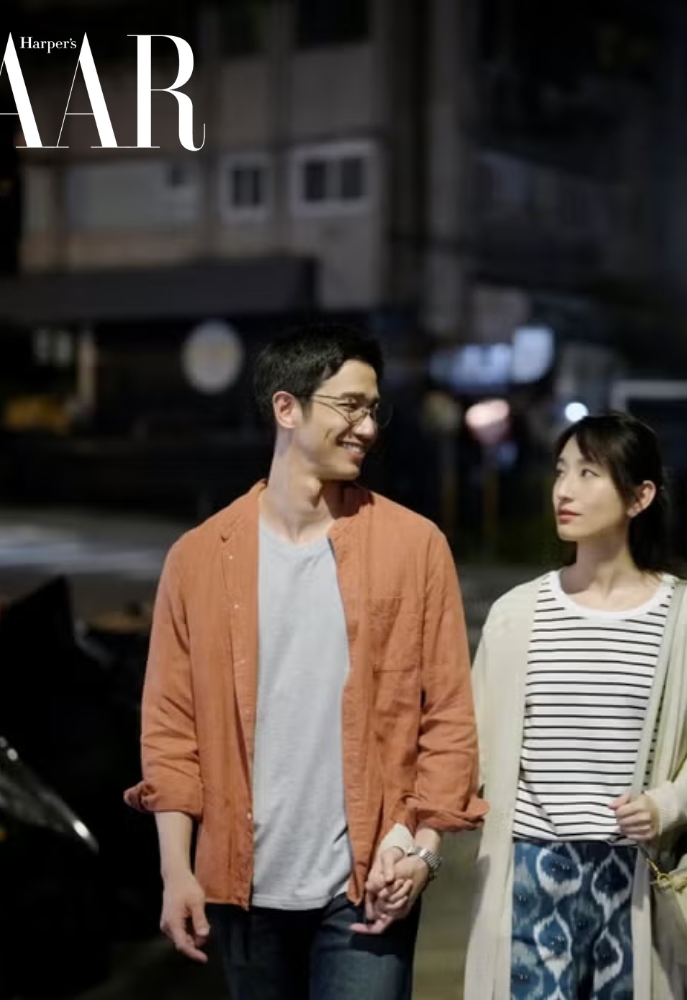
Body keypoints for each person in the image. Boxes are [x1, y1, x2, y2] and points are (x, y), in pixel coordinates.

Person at [125, 324, 486, 1000]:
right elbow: (171, 730)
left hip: (369, 883)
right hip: (242, 889)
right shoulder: (199, 558)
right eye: (349, 406)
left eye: (373, 408)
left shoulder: (415, 547)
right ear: (287, 408)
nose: (367, 427)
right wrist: (177, 870)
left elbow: (447, 717)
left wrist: (423, 850)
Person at [464, 412, 687, 999]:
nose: (564, 490)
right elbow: (472, 747)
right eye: (561, 471)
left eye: (588, 473)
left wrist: (666, 804)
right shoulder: (516, 614)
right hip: (529, 873)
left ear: (640, 497)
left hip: (632, 875)